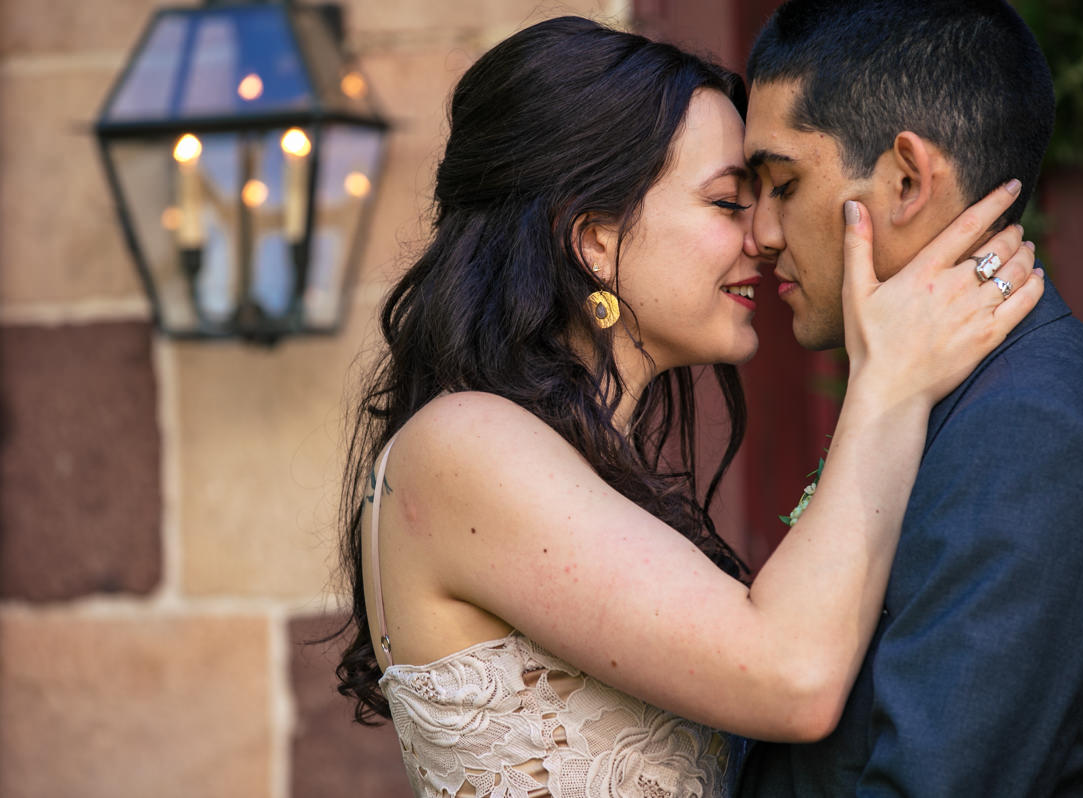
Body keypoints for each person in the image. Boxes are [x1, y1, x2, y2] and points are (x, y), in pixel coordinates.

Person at [333, 16, 1041, 798]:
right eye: (728, 203)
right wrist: (889, 379)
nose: (764, 236)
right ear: (595, 240)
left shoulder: (568, 459)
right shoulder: (464, 444)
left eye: (772, 196)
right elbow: (793, 677)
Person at [737, 2, 1083, 796]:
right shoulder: (928, 388)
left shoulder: (1030, 430)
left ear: (906, 179)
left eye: (782, 184)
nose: (757, 233)